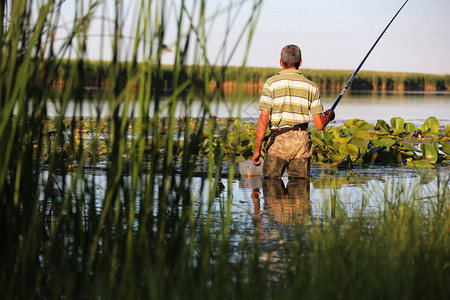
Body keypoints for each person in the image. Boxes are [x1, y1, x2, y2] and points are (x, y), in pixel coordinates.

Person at [252, 44, 335, 178]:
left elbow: (263, 119)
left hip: (278, 142)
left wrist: (257, 150)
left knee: (271, 187)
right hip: (301, 142)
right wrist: (329, 116)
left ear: (281, 63)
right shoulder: (311, 86)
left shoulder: (271, 84)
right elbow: (320, 125)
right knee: (300, 193)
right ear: (300, 62)